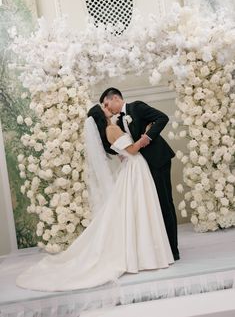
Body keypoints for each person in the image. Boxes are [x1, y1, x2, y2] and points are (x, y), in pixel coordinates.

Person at [16, 104, 174, 292]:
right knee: (140, 208)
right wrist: (144, 137)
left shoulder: (109, 129)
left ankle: (141, 253)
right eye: (104, 107)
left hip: (132, 168)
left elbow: (121, 151)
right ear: (101, 114)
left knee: (135, 209)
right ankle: (146, 254)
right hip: (135, 167)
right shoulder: (112, 128)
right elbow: (131, 150)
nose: (107, 107)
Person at [100, 88, 179, 261]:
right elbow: (125, 144)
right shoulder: (118, 122)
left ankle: (173, 250)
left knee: (165, 203)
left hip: (158, 160)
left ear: (115, 98)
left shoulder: (136, 107)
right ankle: (161, 248)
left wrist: (148, 137)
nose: (107, 108)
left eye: (107, 104)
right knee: (154, 206)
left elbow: (162, 118)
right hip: (142, 167)